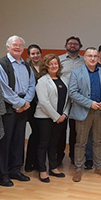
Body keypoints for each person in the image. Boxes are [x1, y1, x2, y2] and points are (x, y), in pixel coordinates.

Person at [69, 47, 101, 182]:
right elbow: (73, 92)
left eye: (95, 56)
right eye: (90, 56)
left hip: (100, 111)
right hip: (84, 111)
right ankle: (78, 169)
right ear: (85, 57)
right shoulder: (77, 72)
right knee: (81, 142)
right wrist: (89, 103)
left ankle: (99, 167)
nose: (93, 58)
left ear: (98, 57)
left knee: (99, 141)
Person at [0, 35, 35, 187]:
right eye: (14, 44)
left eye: (20, 45)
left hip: (24, 107)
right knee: (5, 142)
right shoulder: (2, 64)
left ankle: (15, 170)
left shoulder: (26, 66)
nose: (17, 47)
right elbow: (4, 89)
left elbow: (32, 85)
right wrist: (20, 103)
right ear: (8, 47)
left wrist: (27, 102)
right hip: (9, 108)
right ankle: (3, 174)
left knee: (19, 140)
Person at [34, 54, 69, 183]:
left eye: (56, 63)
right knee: (43, 144)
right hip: (45, 118)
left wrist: (64, 114)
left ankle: (53, 167)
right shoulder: (42, 81)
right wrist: (56, 117)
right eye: (51, 64)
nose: (54, 66)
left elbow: (67, 100)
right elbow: (43, 102)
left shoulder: (63, 80)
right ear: (46, 66)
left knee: (54, 144)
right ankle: (42, 170)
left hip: (60, 117)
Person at [58, 36, 86, 166]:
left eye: (75, 44)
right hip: (61, 99)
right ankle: (58, 156)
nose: (73, 46)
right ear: (66, 46)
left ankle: (75, 157)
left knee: (76, 130)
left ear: (80, 46)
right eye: (70, 43)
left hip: (78, 100)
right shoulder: (59, 60)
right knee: (60, 129)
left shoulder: (84, 61)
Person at [24, 44, 43, 173]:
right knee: (35, 133)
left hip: (43, 105)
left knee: (41, 134)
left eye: (37, 53)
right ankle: (29, 162)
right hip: (31, 105)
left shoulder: (45, 66)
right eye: (32, 54)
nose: (35, 56)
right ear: (29, 55)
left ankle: (37, 162)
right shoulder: (25, 67)